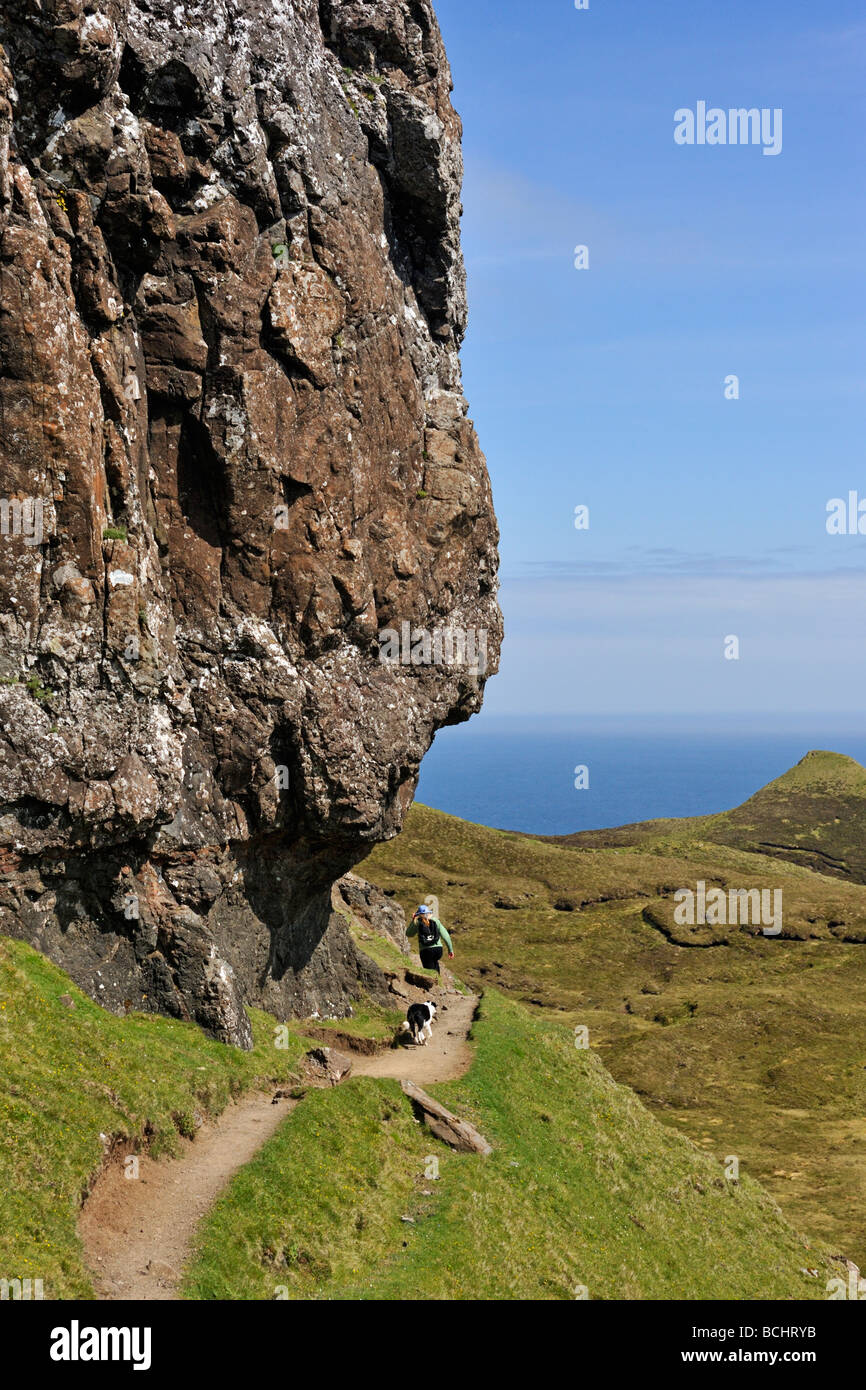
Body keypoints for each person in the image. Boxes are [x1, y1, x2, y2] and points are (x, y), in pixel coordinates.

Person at [407, 905, 454, 976]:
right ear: (428, 912)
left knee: (429, 970)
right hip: (438, 949)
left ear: (419, 914)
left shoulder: (417, 922)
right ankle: (438, 980)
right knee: (435, 962)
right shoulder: (435, 920)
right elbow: (446, 936)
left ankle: (433, 984)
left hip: (425, 950)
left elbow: (409, 934)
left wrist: (413, 920)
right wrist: (450, 950)